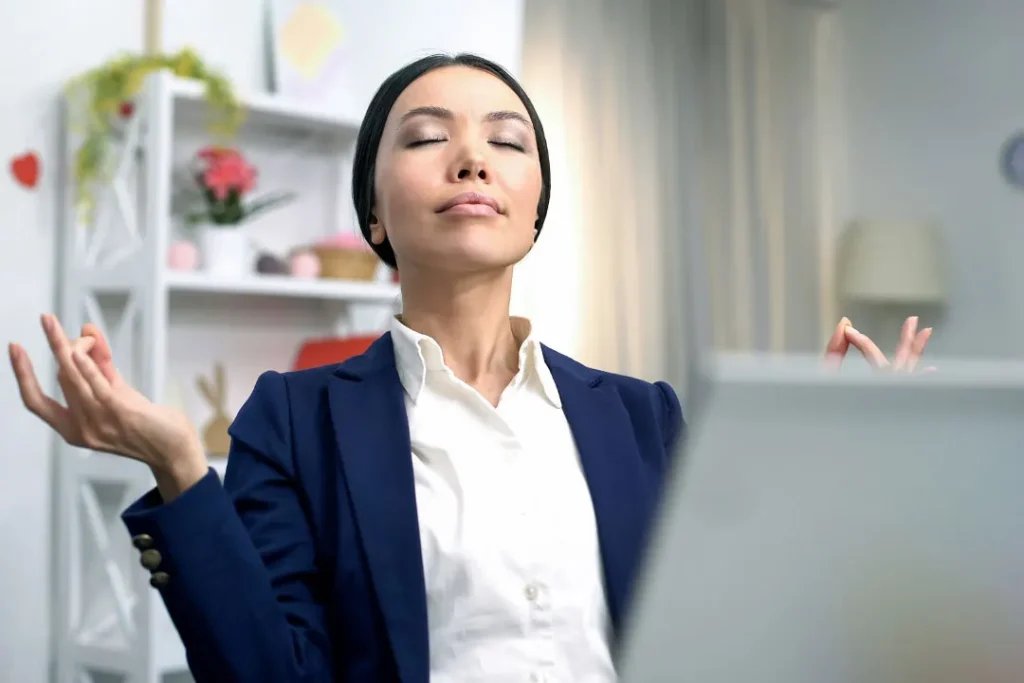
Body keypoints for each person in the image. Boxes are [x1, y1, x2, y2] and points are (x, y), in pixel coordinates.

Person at [9, 53, 933, 683]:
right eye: (424, 138)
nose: (471, 160)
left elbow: (736, 633)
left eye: (507, 140)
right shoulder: (291, 419)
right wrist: (177, 467)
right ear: (374, 217)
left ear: (534, 212)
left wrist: (830, 466)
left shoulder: (645, 417)